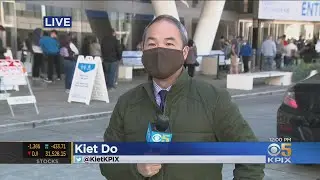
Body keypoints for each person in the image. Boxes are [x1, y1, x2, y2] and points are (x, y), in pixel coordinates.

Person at [99, 14, 265, 180]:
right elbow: (107, 161)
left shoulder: (213, 99)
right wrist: (136, 169)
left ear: (185, 52)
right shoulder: (127, 103)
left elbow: (252, 156)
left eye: (169, 43)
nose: (159, 50)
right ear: (143, 50)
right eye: (152, 44)